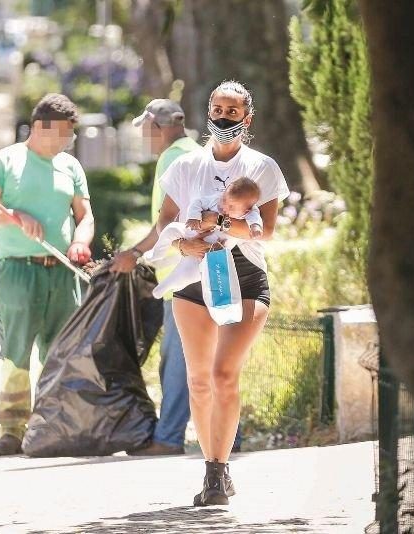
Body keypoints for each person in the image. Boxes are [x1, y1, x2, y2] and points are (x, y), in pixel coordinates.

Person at [155, 80, 288, 506]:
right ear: (206, 110)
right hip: (195, 278)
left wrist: (215, 224)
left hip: (245, 278)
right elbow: (166, 221)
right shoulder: (184, 166)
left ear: (246, 119)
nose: (223, 117)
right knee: (198, 380)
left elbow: (265, 230)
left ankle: (220, 468)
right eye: (217, 107)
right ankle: (213, 474)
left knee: (223, 374)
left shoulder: (263, 167)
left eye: (233, 111)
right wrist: (180, 244)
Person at [0, 93, 94, 457]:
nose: (69, 141)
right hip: (19, 271)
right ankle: (11, 429)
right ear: (43, 127)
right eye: (66, 133)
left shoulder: (70, 167)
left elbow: (85, 215)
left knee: (61, 353)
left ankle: (53, 425)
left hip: (62, 273)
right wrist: (13, 217)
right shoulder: (5, 162)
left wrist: (79, 242)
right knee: (16, 352)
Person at [109, 99, 204, 456]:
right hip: (198, 270)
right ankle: (230, 436)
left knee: (178, 359)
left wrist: (133, 254)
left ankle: (168, 437)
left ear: (156, 126)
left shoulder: (172, 157)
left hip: (182, 277)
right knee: (206, 359)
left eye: (145, 130)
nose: (145, 138)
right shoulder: (197, 150)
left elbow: (168, 220)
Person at [145, 177, 263, 299]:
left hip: (213, 249)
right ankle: (157, 252)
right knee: (171, 229)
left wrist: (256, 228)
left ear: (246, 210)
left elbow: (256, 221)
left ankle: (168, 285)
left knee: (193, 273)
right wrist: (194, 217)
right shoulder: (216, 199)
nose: (224, 207)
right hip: (193, 232)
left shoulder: (251, 213)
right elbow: (197, 203)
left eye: (231, 207)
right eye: (224, 199)